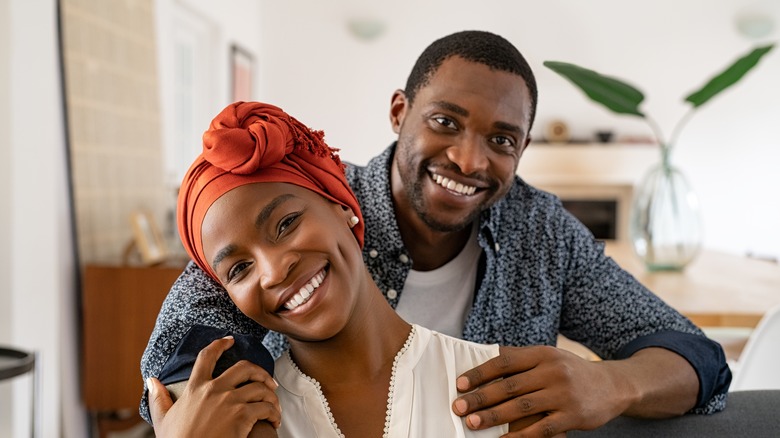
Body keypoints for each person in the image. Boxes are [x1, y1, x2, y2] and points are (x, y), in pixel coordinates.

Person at [141, 30, 731, 436]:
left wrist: (613, 383)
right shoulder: (300, 209)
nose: (470, 160)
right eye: (445, 122)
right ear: (400, 113)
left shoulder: (542, 234)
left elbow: (698, 359)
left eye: (501, 140)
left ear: (522, 149)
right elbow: (177, 358)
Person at [146, 100, 549, 436]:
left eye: (286, 224)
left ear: (343, 207)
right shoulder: (237, 422)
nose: (272, 272)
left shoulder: (501, 393)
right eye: (238, 269)